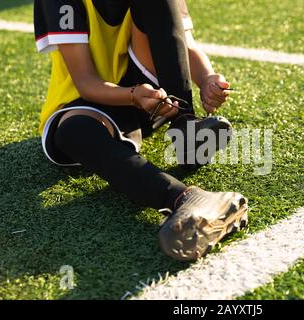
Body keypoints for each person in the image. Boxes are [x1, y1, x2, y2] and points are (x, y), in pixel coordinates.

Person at [33, 0, 249, 261]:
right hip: (93, 99)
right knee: (73, 132)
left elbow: (183, 42)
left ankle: (186, 126)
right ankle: (183, 198)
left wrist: (207, 79)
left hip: (155, 98)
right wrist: (133, 96)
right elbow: (85, 81)